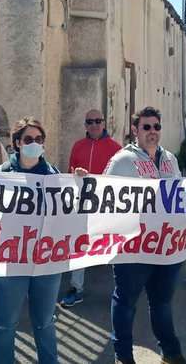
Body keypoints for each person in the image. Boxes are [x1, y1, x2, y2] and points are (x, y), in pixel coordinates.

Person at [0, 117, 86, 364]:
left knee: (45, 322)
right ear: (16, 143)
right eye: (28, 139)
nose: (34, 144)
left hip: (46, 262)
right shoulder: (1, 175)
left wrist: (80, 184)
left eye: (39, 139)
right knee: (5, 324)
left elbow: (72, 211)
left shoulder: (55, 177)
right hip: (11, 261)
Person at [104, 107, 186, 364]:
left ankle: (171, 353)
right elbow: (103, 198)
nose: (153, 132)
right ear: (135, 130)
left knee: (162, 303)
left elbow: (180, 195)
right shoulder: (122, 160)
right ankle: (123, 357)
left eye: (156, 127)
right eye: (147, 127)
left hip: (166, 247)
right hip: (133, 249)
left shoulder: (170, 160)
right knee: (126, 303)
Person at [59, 109, 121, 308]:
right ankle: (76, 289)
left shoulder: (116, 148)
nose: (94, 124)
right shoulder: (78, 146)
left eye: (98, 121)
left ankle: (121, 290)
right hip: (83, 205)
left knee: (113, 246)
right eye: (90, 121)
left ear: (104, 123)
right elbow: (70, 174)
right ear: (85, 125)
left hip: (107, 207)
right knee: (80, 245)